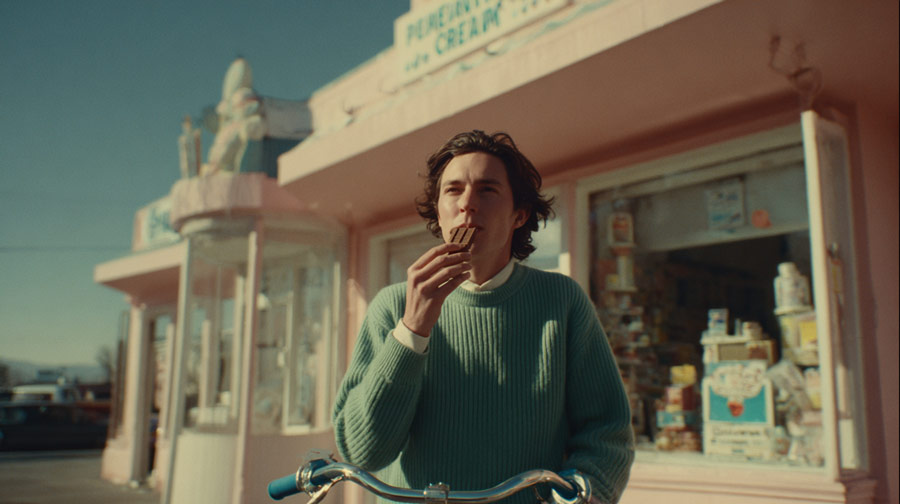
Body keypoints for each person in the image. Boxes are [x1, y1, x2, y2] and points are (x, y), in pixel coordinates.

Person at [332, 130, 634, 504]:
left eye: (487, 190)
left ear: (518, 215)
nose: (468, 204)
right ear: (438, 212)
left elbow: (607, 431)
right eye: (453, 190)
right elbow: (364, 453)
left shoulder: (561, 302)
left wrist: (583, 491)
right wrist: (412, 331)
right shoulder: (392, 307)